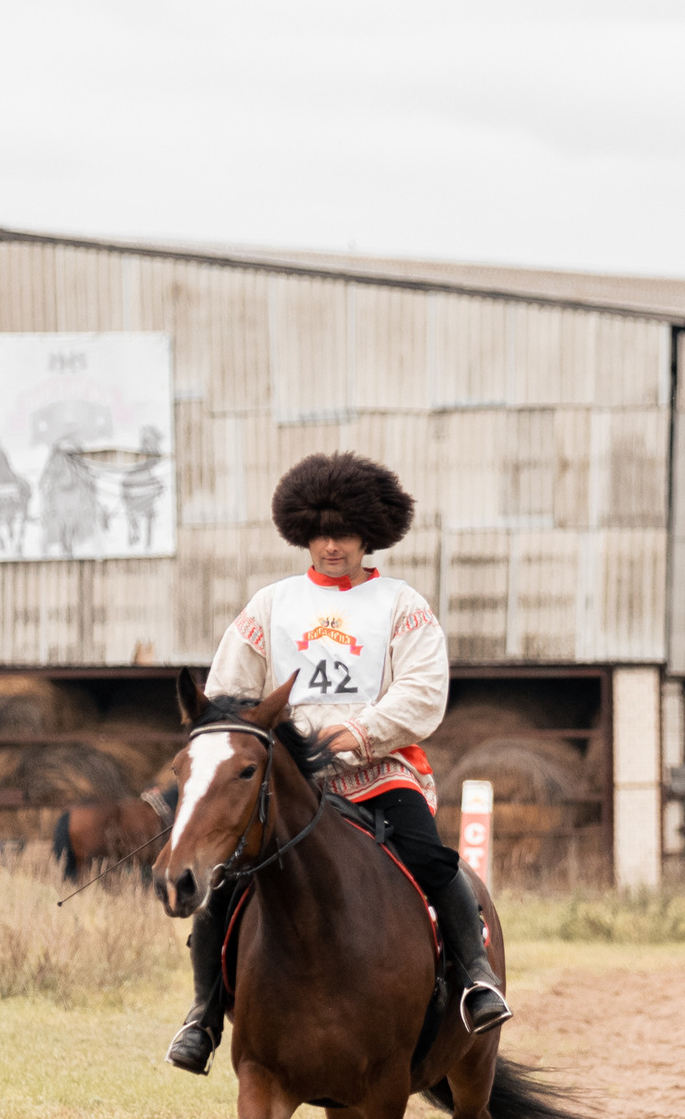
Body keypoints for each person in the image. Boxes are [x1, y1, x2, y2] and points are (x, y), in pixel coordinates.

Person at [166, 452, 510, 1074]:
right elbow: (228, 694)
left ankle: (476, 977)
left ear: (368, 536)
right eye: (321, 534)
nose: (332, 546)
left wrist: (357, 731)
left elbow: (423, 690)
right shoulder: (270, 606)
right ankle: (204, 1015)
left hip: (380, 776)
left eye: (345, 534)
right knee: (226, 881)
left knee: (430, 859)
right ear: (303, 533)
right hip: (290, 786)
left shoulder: (402, 605)